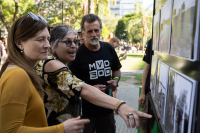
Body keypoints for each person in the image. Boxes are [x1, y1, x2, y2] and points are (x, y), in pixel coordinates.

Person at [35, 24, 152, 131]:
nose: (74, 46)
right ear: (52, 44)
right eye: (67, 42)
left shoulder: (52, 62)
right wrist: (120, 106)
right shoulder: (52, 64)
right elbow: (83, 89)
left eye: (75, 41)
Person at [0, 13, 90, 133]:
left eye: (48, 39)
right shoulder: (17, 75)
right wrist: (62, 129)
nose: (47, 45)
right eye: (40, 39)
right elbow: (10, 130)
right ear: (19, 43)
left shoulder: (23, 71)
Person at [69, 14, 124, 133]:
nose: (94, 34)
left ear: (101, 30)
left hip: (107, 108)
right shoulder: (77, 54)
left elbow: (116, 70)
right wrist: (89, 89)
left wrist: (115, 80)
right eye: (89, 31)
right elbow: (70, 82)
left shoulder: (109, 48)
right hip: (85, 111)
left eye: (96, 30)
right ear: (83, 33)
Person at [138, 38, 155, 133]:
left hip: (169, 93)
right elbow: (147, 67)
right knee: (145, 125)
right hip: (150, 92)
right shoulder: (152, 41)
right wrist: (143, 93)